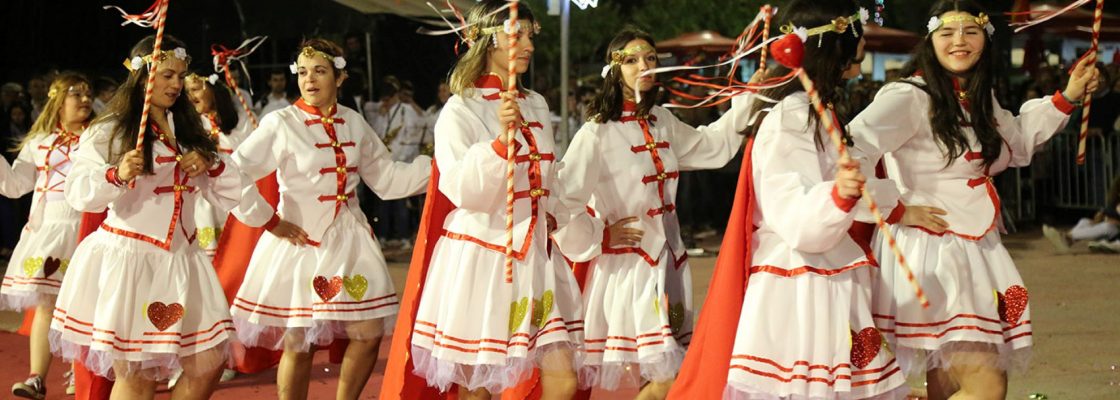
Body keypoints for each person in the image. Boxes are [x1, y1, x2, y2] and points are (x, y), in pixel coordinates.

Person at [847, 0, 1099, 397]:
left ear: (986, 39)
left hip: (973, 245)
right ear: (930, 42)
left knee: (950, 383)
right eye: (947, 33)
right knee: (986, 385)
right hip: (933, 252)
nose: (959, 42)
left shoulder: (978, 98)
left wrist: (1067, 95)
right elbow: (849, 149)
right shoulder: (909, 96)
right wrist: (895, 208)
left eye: (970, 32)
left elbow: (1015, 144)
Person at [381, 1, 582, 399]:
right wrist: (499, 144)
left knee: (563, 379)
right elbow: (461, 188)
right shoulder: (461, 108)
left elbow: (548, 174)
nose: (528, 44)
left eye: (529, 34)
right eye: (516, 34)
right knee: (479, 388)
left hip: (534, 257)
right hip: (484, 259)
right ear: (489, 42)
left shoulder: (536, 103)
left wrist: (558, 215)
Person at [550, 27, 755, 399]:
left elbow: (711, 147)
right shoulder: (596, 133)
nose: (643, 66)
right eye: (630, 60)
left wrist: (747, 99)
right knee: (656, 378)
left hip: (669, 263)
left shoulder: (661, 120)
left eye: (649, 59)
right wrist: (600, 235)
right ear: (614, 70)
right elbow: (562, 203)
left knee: (658, 376)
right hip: (627, 270)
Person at [227, 38, 430, 399]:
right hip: (299, 243)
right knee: (299, 342)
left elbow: (386, 178)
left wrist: (440, 167)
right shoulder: (282, 123)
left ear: (340, 77)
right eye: (303, 72)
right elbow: (233, 172)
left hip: (350, 240)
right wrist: (269, 220)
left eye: (320, 71)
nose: (310, 79)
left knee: (368, 334)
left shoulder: (353, 122)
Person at [50, 35, 242, 399]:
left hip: (184, 261)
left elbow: (233, 189)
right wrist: (116, 174)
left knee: (208, 364)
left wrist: (209, 164)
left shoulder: (189, 126)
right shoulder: (109, 129)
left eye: (180, 76)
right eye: (167, 75)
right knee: (137, 377)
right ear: (142, 76)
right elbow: (78, 192)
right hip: (132, 261)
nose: (176, 84)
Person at [0, 73, 94, 399]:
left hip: (90, 228)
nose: (85, 99)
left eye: (88, 94)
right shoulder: (39, 142)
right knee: (47, 305)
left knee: (88, 305)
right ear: (57, 100)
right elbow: (14, 186)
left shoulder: (100, 137)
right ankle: (36, 378)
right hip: (50, 230)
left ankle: (80, 370)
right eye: (76, 94)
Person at [184, 72, 251, 260]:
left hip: (236, 195)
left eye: (195, 89)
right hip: (203, 201)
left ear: (213, 89)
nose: (190, 97)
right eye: (187, 91)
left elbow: (252, 160)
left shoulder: (243, 120)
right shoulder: (189, 124)